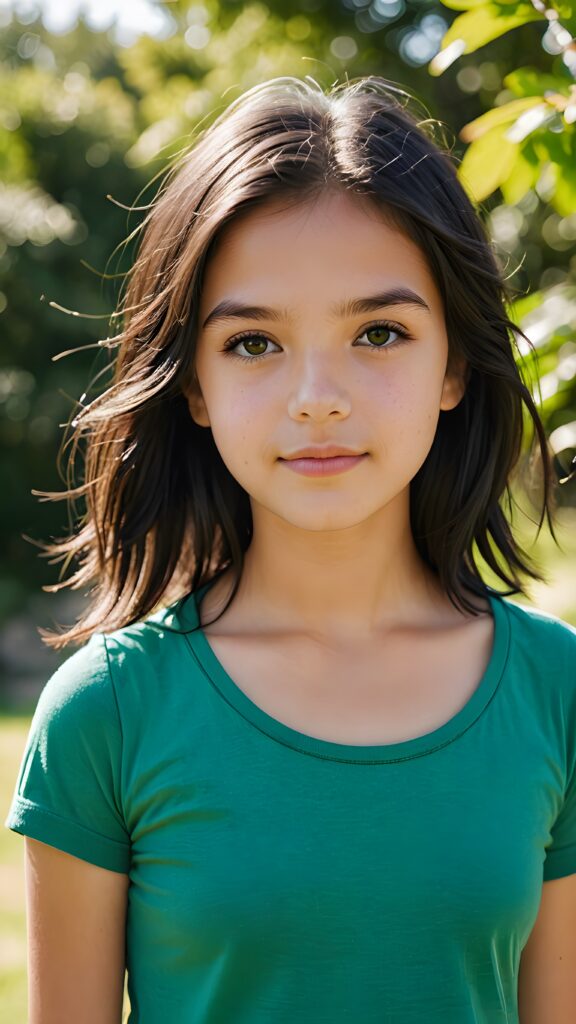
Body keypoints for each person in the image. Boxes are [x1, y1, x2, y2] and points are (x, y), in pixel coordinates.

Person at [5, 76, 576, 1024]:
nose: (317, 394)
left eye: (379, 332)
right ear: (191, 385)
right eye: (253, 344)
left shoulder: (557, 691)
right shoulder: (105, 715)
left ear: (454, 368)